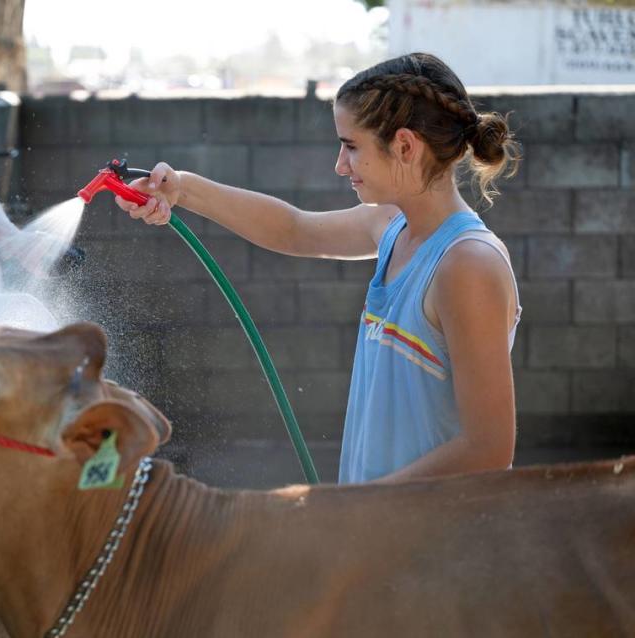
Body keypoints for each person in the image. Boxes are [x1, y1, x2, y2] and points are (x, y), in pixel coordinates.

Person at [115, 52, 522, 484]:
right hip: (379, 535)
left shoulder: (467, 265)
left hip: (437, 545)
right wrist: (181, 189)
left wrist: (352, 513)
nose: (340, 165)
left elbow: (489, 450)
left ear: (404, 146)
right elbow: (295, 229)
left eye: (350, 147)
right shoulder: (391, 227)